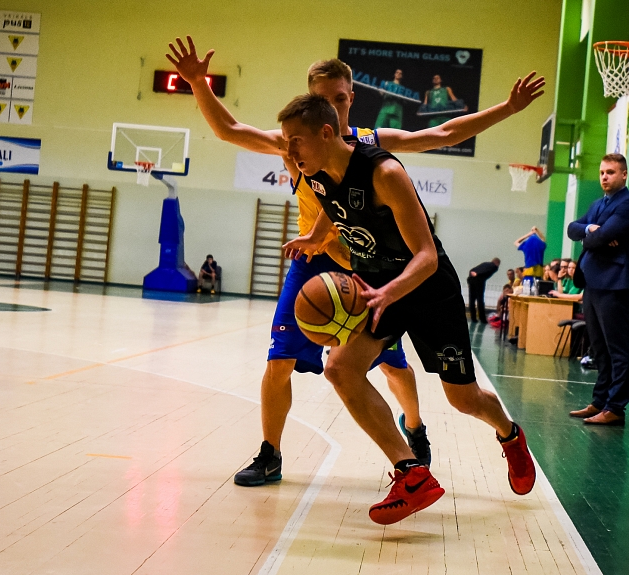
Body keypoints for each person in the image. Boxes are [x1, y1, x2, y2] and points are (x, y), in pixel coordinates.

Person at [165, 36, 543, 494]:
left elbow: (441, 134)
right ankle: (282, 455)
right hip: (324, 264)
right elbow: (234, 133)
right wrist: (198, 84)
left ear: (351, 99)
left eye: (340, 100)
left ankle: (430, 428)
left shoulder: (373, 151)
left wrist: (507, 108)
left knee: (432, 383)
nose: (333, 109)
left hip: (386, 273)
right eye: (323, 101)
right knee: (295, 360)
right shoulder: (297, 145)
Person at [280, 94, 535, 523]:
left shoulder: (384, 172)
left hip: (426, 288)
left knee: (464, 399)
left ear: (326, 133)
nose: (289, 153)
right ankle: (412, 473)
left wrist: (389, 292)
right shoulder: (316, 174)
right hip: (378, 286)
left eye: (295, 142)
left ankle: (510, 436)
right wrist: (316, 236)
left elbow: (426, 256)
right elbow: (331, 206)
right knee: (340, 368)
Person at [567, 153, 629, 426]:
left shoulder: (626, 204)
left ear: (624, 175)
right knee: (599, 348)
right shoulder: (597, 205)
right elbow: (572, 228)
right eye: (603, 172)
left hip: (614, 283)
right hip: (592, 283)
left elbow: (602, 237)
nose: (605, 177)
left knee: (618, 349)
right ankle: (599, 401)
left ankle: (615, 407)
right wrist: (592, 229)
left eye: (611, 172)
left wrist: (591, 236)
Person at [467, 257, 500, 323]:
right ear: (497, 263)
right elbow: (485, 271)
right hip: (479, 281)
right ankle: (482, 319)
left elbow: (472, 270)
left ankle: (473, 318)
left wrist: (472, 276)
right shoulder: (494, 266)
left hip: (471, 280)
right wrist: (478, 274)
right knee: (480, 300)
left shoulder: (485, 263)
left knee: (472, 300)